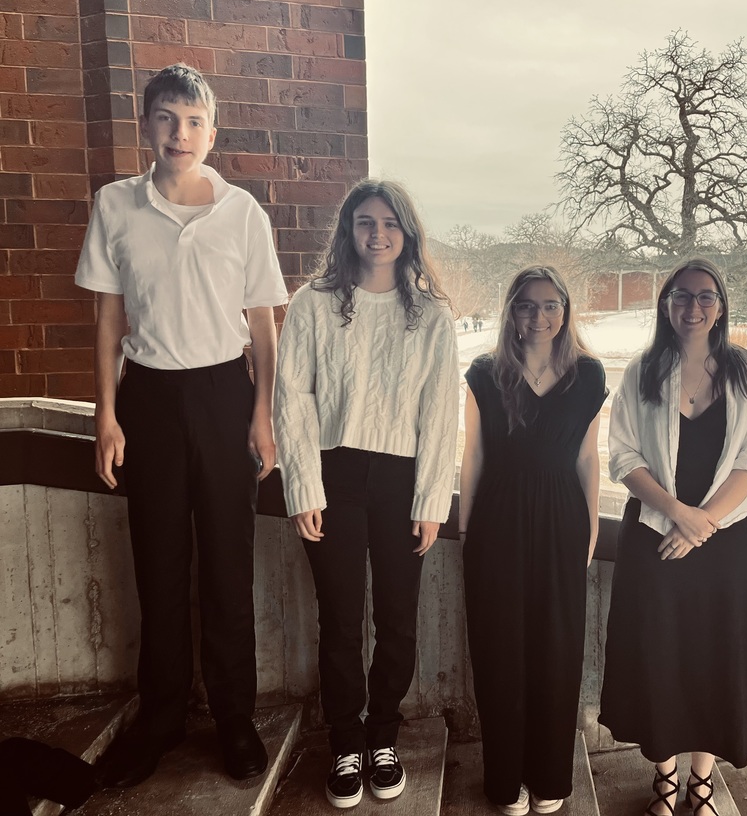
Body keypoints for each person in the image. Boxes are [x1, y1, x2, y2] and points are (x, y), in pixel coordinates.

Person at [74, 63, 287, 787]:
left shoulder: (243, 214)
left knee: (229, 565)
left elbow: (263, 327)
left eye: (194, 120)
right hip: (151, 401)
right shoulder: (115, 207)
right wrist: (106, 413)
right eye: (166, 118)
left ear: (212, 131)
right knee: (159, 567)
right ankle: (161, 718)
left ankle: (234, 717)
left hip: (226, 395)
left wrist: (264, 417)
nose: (180, 133)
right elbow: (107, 318)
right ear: (146, 126)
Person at [274, 179, 460, 809]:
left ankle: (384, 736)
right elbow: (292, 399)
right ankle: (345, 744)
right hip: (334, 474)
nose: (376, 234)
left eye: (389, 222)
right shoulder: (314, 303)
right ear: (347, 230)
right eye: (364, 222)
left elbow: (440, 414)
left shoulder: (431, 315)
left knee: (398, 620)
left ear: (407, 233)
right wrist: (301, 484)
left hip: (403, 479)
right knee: (340, 620)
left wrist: (431, 501)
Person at [600, 258, 747, 816]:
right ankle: (665, 778)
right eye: (681, 296)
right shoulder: (643, 370)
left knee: (712, 659)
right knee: (661, 657)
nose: (692, 307)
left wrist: (704, 524)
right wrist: (678, 512)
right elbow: (623, 455)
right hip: (655, 536)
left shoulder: (745, 372)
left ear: (721, 305)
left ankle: (702, 783)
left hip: (721, 548)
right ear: (665, 304)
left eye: (705, 296)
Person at [459, 266, 607, 816]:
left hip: (562, 521)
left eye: (550, 305)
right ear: (511, 312)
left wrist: (589, 529)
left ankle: (549, 779)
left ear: (565, 312)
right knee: (500, 654)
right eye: (526, 305)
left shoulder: (588, 376)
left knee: (557, 652)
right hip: (497, 521)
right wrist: (468, 530)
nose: (538, 316)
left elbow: (588, 458)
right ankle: (505, 781)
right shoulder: (485, 372)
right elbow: (472, 455)